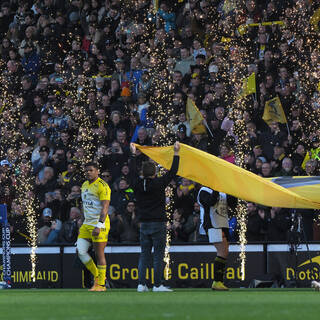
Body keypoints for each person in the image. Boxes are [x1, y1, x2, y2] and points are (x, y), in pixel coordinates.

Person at [130, 141, 180, 292]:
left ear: (142, 173)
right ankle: (157, 285)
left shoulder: (137, 184)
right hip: (158, 223)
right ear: (154, 173)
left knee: (144, 254)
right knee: (158, 255)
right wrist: (176, 153)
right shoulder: (159, 183)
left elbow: (132, 172)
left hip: (143, 224)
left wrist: (133, 154)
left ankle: (141, 284)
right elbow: (172, 171)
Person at [77, 162, 111, 292]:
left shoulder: (103, 186)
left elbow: (105, 207)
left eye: (91, 170)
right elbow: (84, 204)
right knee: (80, 251)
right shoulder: (85, 185)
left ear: (97, 171)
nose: (88, 173)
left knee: (99, 254)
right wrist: (82, 219)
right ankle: (98, 276)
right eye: (86, 171)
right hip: (87, 224)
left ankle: (101, 285)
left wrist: (99, 225)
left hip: (99, 224)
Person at [197, 186, 237, 290]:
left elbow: (233, 204)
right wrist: (216, 189)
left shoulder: (223, 190)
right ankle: (217, 281)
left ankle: (218, 281)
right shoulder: (204, 191)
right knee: (222, 250)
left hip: (223, 223)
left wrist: (233, 191)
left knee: (224, 251)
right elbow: (210, 202)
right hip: (211, 224)